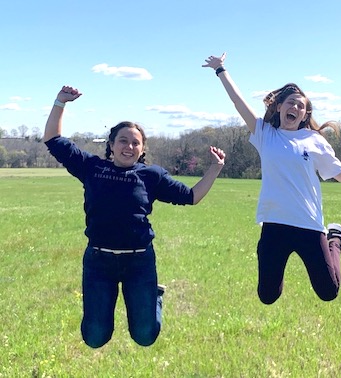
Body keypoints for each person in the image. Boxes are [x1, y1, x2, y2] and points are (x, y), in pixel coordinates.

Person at [203, 53, 341, 304]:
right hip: (274, 224)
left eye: (300, 106)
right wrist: (221, 69)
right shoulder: (265, 134)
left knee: (329, 291)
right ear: (279, 107)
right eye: (290, 103)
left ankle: (336, 238)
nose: (294, 107)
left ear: (305, 114)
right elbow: (238, 102)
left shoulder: (315, 141)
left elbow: (340, 173)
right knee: (267, 296)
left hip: (309, 224)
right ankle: (278, 255)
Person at [43, 85, 226, 348]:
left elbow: (192, 196)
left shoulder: (152, 176)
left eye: (135, 143)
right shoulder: (92, 168)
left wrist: (215, 168)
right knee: (95, 338)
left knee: (145, 336)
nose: (129, 146)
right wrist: (60, 102)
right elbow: (52, 140)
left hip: (139, 261)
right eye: (123, 141)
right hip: (99, 261)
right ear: (111, 145)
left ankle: (156, 297)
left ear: (142, 149)